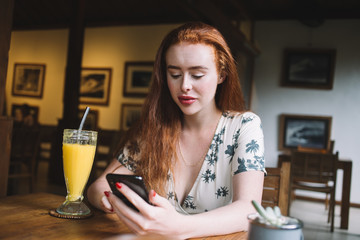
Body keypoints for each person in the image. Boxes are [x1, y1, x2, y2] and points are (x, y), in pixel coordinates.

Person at [87, 22, 265, 239]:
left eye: (197, 75)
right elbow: (98, 187)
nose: (184, 86)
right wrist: (112, 202)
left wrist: (179, 226)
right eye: (174, 74)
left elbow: (249, 209)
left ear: (222, 75)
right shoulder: (153, 130)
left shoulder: (243, 127)